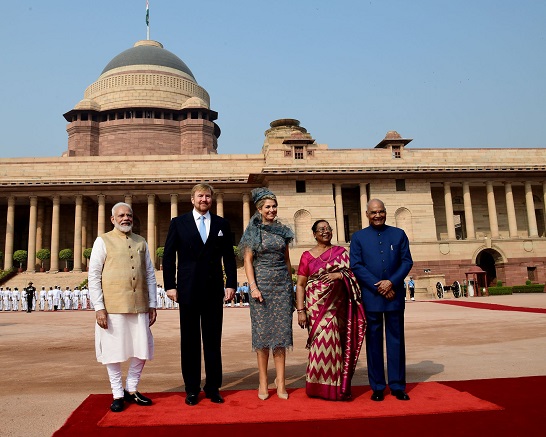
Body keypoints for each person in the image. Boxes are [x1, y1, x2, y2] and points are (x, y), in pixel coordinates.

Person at [163, 183, 237, 406]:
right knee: (190, 341)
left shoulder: (221, 223)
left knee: (213, 340)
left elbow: (229, 258)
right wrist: (170, 285)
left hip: (214, 288)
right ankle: (192, 388)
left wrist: (231, 284)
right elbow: (168, 257)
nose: (204, 199)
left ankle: (213, 387)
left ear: (211, 200)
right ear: (192, 199)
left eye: (207, 196)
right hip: (188, 288)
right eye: (200, 196)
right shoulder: (178, 223)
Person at [88, 202, 157, 413]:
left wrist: (153, 303)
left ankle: (132, 388)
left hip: (139, 304)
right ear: (112, 219)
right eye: (121, 215)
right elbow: (94, 275)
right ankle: (117, 393)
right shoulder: (103, 241)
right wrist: (99, 307)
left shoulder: (141, 241)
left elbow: (150, 275)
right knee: (113, 351)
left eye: (128, 215)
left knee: (141, 349)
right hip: (113, 305)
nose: (125, 218)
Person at [350, 199, 413, 402]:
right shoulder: (359, 237)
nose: (378, 215)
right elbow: (356, 266)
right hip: (372, 297)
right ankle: (377, 386)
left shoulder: (398, 234)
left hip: (393, 295)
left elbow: (406, 261)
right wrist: (380, 286)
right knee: (374, 343)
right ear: (367, 214)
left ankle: (397, 385)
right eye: (373, 212)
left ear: (386, 213)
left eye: (381, 212)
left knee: (396, 341)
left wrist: (392, 283)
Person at [296, 220, 366, 401]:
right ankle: (316, 387)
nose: (325, 232)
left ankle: (336, 388)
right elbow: (301, 284)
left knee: (336, 344)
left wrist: (339, 275)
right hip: (315, 307)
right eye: (321, 229)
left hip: (337, 307)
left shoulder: (341, 253)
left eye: (328, 229)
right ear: (314, 234)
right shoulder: (306, 256)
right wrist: (301, 310)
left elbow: (353, 275)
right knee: (320, 345)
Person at [238, 187, 294, 401]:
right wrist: (253, 287)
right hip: (260, 287)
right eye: (267, 207)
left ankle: (281, 381)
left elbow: (287, 260)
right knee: (262, 336)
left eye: (274, 206)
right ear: (259, 209)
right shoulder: (252, 231)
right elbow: (248, 261)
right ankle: (263, 381)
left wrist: (290, 285)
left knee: (281, 336)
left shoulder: (284, 231)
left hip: (281, 286)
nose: (271, 210)